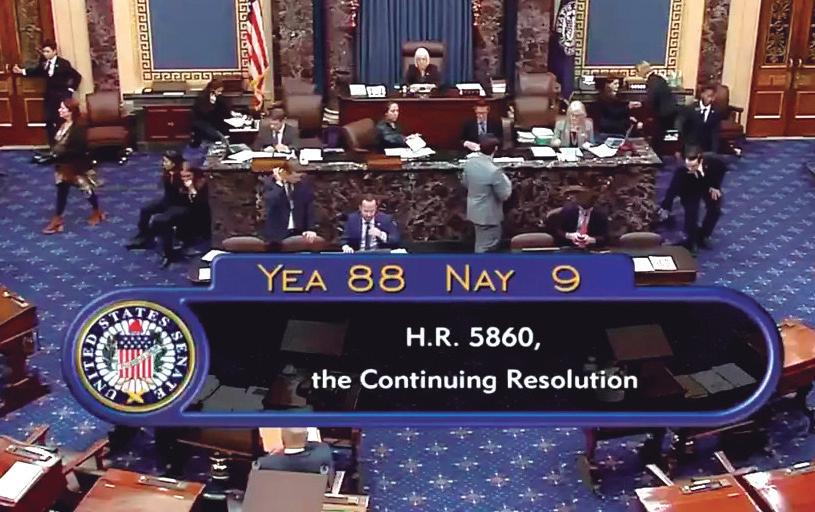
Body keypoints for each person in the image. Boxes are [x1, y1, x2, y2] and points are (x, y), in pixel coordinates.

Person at [42, 99, 105, 234]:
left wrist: (58, 154)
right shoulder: (63, 124)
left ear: (71, 112)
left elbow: (78, 149)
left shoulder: (79, 128)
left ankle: (97, 211)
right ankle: (57, 219)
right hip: (63, 165)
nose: (59, 110)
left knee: (86, 189)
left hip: (76, 166)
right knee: (62, 190)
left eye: (63, 108)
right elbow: (58, 143)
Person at [12, 40, 82, 144]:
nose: (45, 54)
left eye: (48, 51)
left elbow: (76, 76)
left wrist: (70, 89)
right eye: (44, 51)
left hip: (61, 95)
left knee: (60, 119)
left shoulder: (63, 63)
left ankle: (62, 145)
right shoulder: (44, 63)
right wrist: (22, 71)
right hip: (50, 96)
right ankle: (51, 145)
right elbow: (36, 71)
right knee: (48, 119)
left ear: (54, 51)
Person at [659, 148, 726, 253]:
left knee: (715, 209)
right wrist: (666, 207)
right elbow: (673, 189)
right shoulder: (681, 171)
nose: (690, 169)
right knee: (691, 212)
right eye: (688, 166)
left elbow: (721, 169)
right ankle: (691, 242)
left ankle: (703, 235)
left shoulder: (715, 161)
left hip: (708, 184)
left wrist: (715, 186)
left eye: (693, 166)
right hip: (689, 187)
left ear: (700, 160)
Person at [125, 150, 185, 249]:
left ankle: (167, 246)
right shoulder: (168, 172)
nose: (163, 163)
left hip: (178, 205)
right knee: (145, 209)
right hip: (167, 200)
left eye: (166, 162)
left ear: (174, 163)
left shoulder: (181, 175)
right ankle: (144, 235)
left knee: (159, 220)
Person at [461, 136, 512, 253]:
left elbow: (465, 183)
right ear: (495, 149)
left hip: (474, 212)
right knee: (486, 247)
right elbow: (504, 195)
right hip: (489, 216)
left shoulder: (470, 163)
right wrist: (506, 181)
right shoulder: (494, 171)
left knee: (480, 243)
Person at [256, 428, 334, 485]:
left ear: (282, 438)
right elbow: (330, 482)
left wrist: (272, 455)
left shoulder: (264, 463)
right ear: (306, 437)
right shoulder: (323, 456)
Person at [264, 166, 318, 244]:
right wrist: (279, 183)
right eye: (296, 173)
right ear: (284, 173)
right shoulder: (270, 184)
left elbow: (309, 209)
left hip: (299, 232)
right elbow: (271, 201)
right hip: (277, 235)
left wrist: (310, 229)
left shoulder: (302, 186)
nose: (299, 176)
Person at [636, 61, 676, 155]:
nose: (637, 74)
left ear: (642, 70)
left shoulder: (652, 81)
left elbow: (651, 101)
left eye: (638, 71)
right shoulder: (658, 79)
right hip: (669, 114)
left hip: (662, 116)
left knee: (655, 139)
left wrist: (643, 120)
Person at [676, 84, 721, 155]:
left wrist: (714, 151)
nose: (711, 99)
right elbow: (682, 128)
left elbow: (715, 133)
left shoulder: (716, 111)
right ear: (702, 95)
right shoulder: (690, 109)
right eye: (708, 96)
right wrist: (679, 149)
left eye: (713, 97)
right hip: (691, 145)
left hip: (707, 147)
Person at [595, 77, 643, 141]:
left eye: (618, 84)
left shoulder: (615, 96)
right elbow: (613, 113)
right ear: (608, 85)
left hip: (615, 128)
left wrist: (628, 118)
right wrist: (629, 107)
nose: (617, 86)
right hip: (609, 130)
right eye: (615, 84)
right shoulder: (603, 98)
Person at [190, 78, 230, 147]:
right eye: (218, 91)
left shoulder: (218, 97)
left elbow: (225, 108)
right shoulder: (202, 98)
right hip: (202, 122)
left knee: (224, 132)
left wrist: (231, 112)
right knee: (216, 135)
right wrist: (212, 104)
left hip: (213, 122)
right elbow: (205, 114)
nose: (220, 93)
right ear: (212, 90)